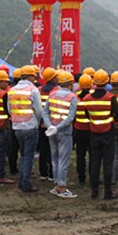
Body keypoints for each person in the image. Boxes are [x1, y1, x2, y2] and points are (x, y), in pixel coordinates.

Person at [82, 69, 118, 200]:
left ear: (94, 83)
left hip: (93, 132)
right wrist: (111, 118)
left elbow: (87, 115)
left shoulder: (87, 99)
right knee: (107, 163)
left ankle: (94, 192)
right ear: (107, 82)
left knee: (94, 163)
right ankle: (107, 192)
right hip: (108, 132)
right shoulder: (110, 98)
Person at [8, 65, 43, 193]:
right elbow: (38, 110)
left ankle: (22, 181)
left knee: (23, 155)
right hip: (30, 126)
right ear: (30, 76)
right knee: (28, 156)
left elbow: (9, 109)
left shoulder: (12, 90)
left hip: (17, 127)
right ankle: (26, 183)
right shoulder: (33, 90)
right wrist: (37, 122)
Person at [43, 70, 78, 198]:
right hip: (64, 132)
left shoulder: (52, 95)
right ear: (71, 84)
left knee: (55, 159)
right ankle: (62, 187)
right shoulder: (72, 97)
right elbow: (70, 117)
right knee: (63, 159)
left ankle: (57, 185)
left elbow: (45, 112)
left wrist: (50, 126)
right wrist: (57, 128)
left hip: (52, 131)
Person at [38, 67, 59, 181]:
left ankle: (43, 172)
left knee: (43, 148)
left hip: (42, 123)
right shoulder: (56, 90)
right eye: (56, 76)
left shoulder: (40, 90)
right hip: (53, 123)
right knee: (53, 149)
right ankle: (52, 173)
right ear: (52, 78)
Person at [73, 73, 93, 185]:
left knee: (80, 155)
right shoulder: (92, 98)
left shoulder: (75, 98)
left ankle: (81, 177)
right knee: (93, 155)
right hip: (91, 129)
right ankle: (92, 175)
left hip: (79, 129)